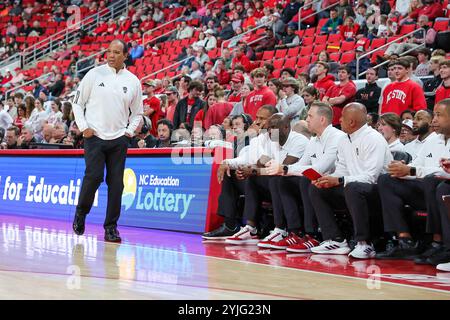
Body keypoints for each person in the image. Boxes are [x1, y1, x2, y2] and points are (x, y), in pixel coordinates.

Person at [72, 40, 143, 243]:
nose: (111, 55)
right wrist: (84, 126)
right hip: (94, 137)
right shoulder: (94, 75)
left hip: (118, 140)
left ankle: (111, 227)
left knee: (116, 185)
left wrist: (128, 132)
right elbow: (77, 103)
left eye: (116, 52)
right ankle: (81, 212)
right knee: (93, 177)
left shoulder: (133, 81)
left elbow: (137, 113)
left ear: (125, 56)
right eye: (109, 51)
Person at [309, 102, 393, 259]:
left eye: (342, 117)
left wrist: (340, 180)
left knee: (352, 187)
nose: (339, 120)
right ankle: (335, 239)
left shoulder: (374, 139)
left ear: (352, 122)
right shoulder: (344, 140)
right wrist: (330, 179)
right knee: (317, 187)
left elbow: (371, 177)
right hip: (351, 189)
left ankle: (365, 243)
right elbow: (342, 169)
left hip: (377, 192)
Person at [263, 102, 346, 252]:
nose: (306, 119)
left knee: (306, 180)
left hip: (339, 183)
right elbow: (303, 164)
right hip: (319, 183)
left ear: (322, 120)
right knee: (283, 180)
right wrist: (284, 170)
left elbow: (319, 169)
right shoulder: (314, 140)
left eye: (310, 116)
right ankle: (294, 232)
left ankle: (313, 235)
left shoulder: (337, 137)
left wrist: (285, 168)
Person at [376, 99, 450, 261]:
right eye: (434, 115)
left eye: (439, 115)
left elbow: (444, 172)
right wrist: (402, 169)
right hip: (425, 190)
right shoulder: (433, 140)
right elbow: (416, 165)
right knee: (386, 179)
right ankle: (404, 240)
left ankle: (437, 243)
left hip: (441, 190)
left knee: (434, 181)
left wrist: (412, 170)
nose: (434, 120)